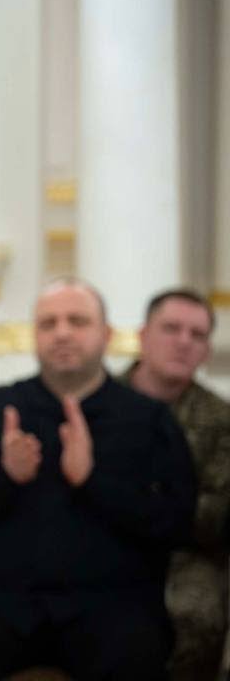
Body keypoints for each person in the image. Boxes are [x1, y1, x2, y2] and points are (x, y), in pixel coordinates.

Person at [0, 278, 197, 681]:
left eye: (77, 321)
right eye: (48, 323)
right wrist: (3, 474)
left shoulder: (148, 419)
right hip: (2, 600)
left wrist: (93, 480)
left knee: (136, 653)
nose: (62, 333)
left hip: (113, 604)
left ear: (106, 335)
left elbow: (177, 523)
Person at [122, 289, 230, 680]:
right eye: (171, 328)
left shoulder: (220, 419)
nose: (184, 342)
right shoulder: (98, 401)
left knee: (195, 615)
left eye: (197, 335)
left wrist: (140, 507)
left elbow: (217, 515)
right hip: (104, 549)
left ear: (206, 351)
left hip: (185, 557)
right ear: (143, 335)